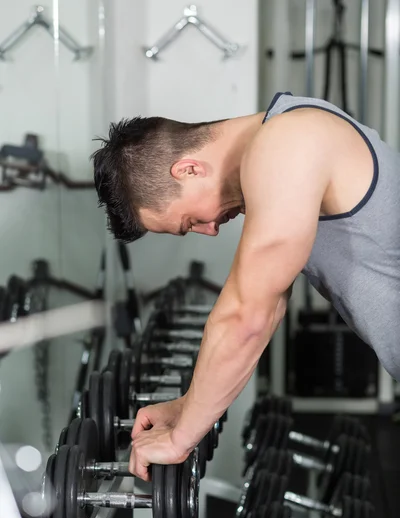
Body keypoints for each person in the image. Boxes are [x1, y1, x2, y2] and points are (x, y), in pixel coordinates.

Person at [92, 91, 400, 481]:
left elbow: (246, 317)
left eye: (189, 222)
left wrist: (180, 438)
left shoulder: (289, 142)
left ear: (188, 169)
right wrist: (190, 406)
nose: (210, 230)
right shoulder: (288, 138)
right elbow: (266, 308)